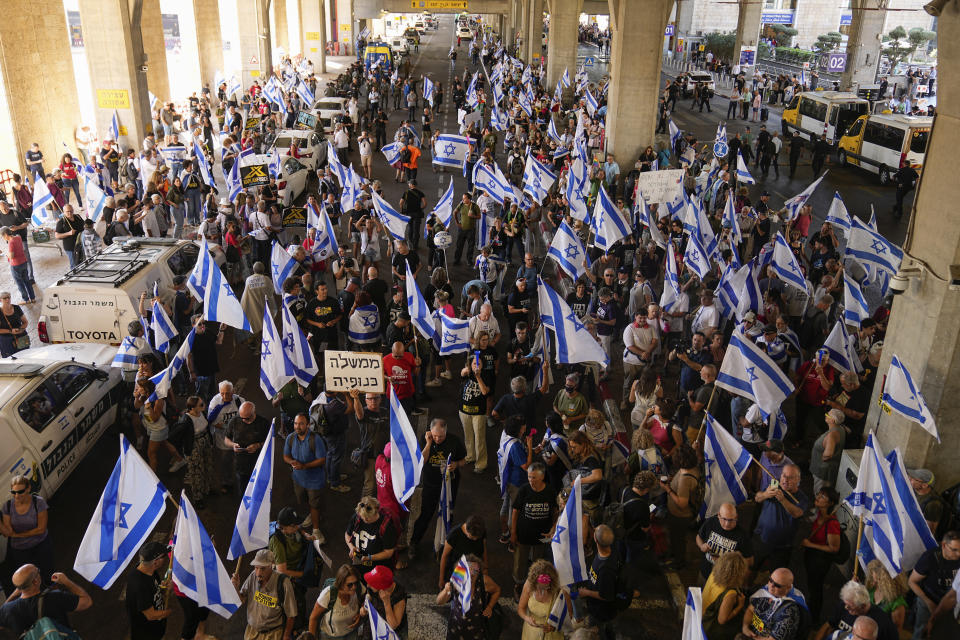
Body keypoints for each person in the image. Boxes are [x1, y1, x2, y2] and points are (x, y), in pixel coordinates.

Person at [409, 419, 467, 560]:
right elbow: (421, 461)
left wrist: (456, 464)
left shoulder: (455, 441)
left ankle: (445, 545)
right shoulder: (426, 439)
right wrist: (429, 443)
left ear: (446, 432)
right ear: (430, 432)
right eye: (435, 436)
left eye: (441, 436)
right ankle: (414, 542)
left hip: (449, 485)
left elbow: (464, 460)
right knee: (426, 514)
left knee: (448, 514)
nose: (438, 439)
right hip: (431, 484)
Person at [0, 564, 91, 636]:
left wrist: (13, 595)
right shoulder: (55, 598)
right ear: (35, 581)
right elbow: (87, 601)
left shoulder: (8, 610)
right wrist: (66, 581)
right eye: (38, 571)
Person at [510, 462, 558, 595]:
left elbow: (555, 511)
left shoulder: (550, 491)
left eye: (534, 477)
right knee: (520, 562)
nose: (531, 480)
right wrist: (513, 532)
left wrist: (553, 527)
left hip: (542, 536)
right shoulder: (524, 490)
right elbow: (515, 511)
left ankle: (534, 584)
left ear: (542, 477)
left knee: (538, 563)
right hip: (524, 534)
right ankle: (519, 585)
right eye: (529, 477)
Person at [753, 464, 809, 573]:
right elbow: (757, 498)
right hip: (761, 538)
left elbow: (797, 513)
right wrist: (765, 494)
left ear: (798, 479)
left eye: (790, 477)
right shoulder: (774, 485)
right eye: (783, 475)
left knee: (777, 574)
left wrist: (783, 500)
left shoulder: (802, 498)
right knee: (752, 567)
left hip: (782, 545)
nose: (785, 480)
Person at [231, 549, 298, 640]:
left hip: (273, 635)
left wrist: (286, 636)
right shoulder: (253, 576)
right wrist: (236, 588)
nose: (258, 573)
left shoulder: (283, 583)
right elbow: (241, 600)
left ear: (271, 565)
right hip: (252, 633)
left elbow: (291, 614)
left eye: (262, 568)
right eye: (256, 567)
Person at [283, 412, 328, 543]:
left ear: (308, 425)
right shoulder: (290, 438)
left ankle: (316, 530)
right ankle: (313, 515)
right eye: (296, 423)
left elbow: (322, 459)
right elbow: (285, 456)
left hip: (314, 480)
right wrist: (292, 462)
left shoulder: (315, 439)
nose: (297, 426)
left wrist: (305, 466)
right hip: (298, 479)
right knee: (303, 501)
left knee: (314, 504)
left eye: (301, 424)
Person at [0, 476, 54, 584]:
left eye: (20, 492)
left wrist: (18, 535)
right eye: (13, 492)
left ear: (28, 488)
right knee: (28, 580)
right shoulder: (8, 506)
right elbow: (8, 533)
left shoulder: (38, 502)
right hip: (20, 551)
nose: (17, 495)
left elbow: (41, 529)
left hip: (41, 546)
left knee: (48, 576)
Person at [907, 530, 960, 639]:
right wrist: (927, 601)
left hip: (949, 605)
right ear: (944, 545)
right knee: (921, 632)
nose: (958, 554)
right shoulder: (930, 558)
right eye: (954, 550)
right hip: (927, 601)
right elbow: (912, 582)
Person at [436, 552, 501, 640]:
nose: (470, 578)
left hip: (476, 631)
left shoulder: (483, 581)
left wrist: (490, 606)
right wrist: (445, 591)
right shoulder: (456, 583)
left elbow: (497, 590)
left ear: (478, 573)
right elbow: (439, 601)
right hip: (455, 630)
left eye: (474, 574)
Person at [801, 487, 842, 620]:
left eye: (823, 497)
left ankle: (814, 618)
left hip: (820, 560)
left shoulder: (832, 524)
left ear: (830, 503)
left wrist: (810, 544)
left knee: (816, 588)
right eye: (819, 494)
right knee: (811, 585)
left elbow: (834, 548)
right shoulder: (820, 514)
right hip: (812, 555)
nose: (818, 497)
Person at [661, 444, 701, 570]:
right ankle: (675, 556)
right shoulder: (692, 467)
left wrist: (668, 489)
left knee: (678, 540)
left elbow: (682, 503)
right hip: (677, 514)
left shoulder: (685, 479)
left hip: (680, 515)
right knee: (676, 538)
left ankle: (678, 562)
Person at [814, 581, 897, 640]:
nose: (846, 608)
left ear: (863, 606)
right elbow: (828, 625)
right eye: (845, 604)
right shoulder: (844, 605)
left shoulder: (883, 623)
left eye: (850, 607)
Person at [741, 568, 806, 640]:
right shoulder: (765, 592)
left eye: (777, 585)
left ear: (788, 588)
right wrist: (745, 626)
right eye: (770, 580)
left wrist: (752, 638)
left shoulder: (789, 611)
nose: (771, 585)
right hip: (754, 633)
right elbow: (750, 610)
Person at [579, 524, 619, 640]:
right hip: (602, 610)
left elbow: (606, 595)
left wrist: (586, 593)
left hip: (601, 612)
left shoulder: (606, 569)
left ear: (595, 539)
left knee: (598, 634)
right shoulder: (608, 551)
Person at [126, 541, 173, 640]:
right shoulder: (140, 584)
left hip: (156, 629)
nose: (165, 559)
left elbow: (152, 591)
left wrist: (162, 587)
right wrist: (168, 612)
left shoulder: (148, 570)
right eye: (164, 556)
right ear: (156, 562)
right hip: (148, 634)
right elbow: (150, 615)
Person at [696, 502, 754, 582]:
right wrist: (702, 546)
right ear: (719, 515)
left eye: (731, 520)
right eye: (724, 519)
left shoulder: (743, 535)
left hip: (725, 580)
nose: (727, 524)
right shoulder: (711, 522)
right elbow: (699, 537)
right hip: (705, 573)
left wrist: (731, 562)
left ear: (736, 517)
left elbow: (750, 561)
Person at [223, 401, 270, 494]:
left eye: (247, 418)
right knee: (244, 490)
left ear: (254, 412)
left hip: (258, 463)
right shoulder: (235, 421)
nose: (244, 420)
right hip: (241, 465)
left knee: (259, 490)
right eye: (242, 418)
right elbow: (226, 440)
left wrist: (258, 445)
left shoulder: (263, 423)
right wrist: (233, 445)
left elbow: (270, 442)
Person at [517, 559, 571, 640]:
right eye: (540, 587)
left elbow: (569, 614)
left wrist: (553, 627)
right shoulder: (529, 585)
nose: (543, 591)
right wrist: (526, 618)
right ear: (534, 583)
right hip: (531, 633)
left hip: (552, 635)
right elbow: (520, 608)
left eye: (547, 587)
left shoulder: (559, 591)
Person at [701, 552, 748, 640]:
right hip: (711, 630)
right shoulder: (730, 594)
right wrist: (740, 606)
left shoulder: (714, 574)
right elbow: (722, 620)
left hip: (702, 616)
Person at [307, 564, 363, 639]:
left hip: (351, 634)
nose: (354, 587)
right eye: (349, 585)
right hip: (331, 637)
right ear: (341, 583)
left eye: (356, 583)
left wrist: (360, 613)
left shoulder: (359, 588)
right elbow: (313, 618)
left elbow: (366, 600)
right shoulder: (328, 594)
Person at [345, 497, 398, 570]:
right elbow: (347, 534)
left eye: (367, 517)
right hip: (356, 562)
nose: (364, 519)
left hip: (376, 567)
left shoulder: (387, 527)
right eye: (362, 516)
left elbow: (388, 553)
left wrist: (368, 558)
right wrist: (351, 547)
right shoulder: (357, 517)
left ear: (376, 512)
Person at [438, 515, 488, 588]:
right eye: (472, 537)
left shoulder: (480, 531)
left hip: (474, 568)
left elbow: (484, 549)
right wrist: (441, 579)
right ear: (467, 531)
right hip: (458, 570)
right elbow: (444, 556)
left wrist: (486, 567)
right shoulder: (454, 535)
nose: (475, 540)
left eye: (477, 538)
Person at [361, 565, 407, 638]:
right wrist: (363, 608)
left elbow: (393, 625)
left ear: (382, 588)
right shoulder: (372, 589)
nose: (368, 585)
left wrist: (387, 603)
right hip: (372, 627)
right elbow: (366, 600)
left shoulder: (398, 595)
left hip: (387, 633)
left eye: (372, 583)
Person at [864, 559, 909, 631]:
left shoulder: (897, 603)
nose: (872, 582)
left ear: (888, 582)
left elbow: (896, 631)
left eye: (877, 580)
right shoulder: (871, 591)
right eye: (871, 576)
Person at [1, 227, 36, 304]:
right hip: (23, 262)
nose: (3, 239)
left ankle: (26, 300)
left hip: (16, 265)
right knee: (27, 281)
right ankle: (33, 298)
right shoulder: (18, 238)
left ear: (6, 234)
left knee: (20, 283)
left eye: (3, 236)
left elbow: (12, 256)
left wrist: (6, 254)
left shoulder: (11, 242)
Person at [0, 291, 29, 357]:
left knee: (26, 355)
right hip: (7, 341)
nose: (7, 300)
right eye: (5, 298)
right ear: (0, 300)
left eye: (9, 297)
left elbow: (25, 322)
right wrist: (10, 331)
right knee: (11, 359)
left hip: (21, 337)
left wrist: (20, 329)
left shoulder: (16, 308)